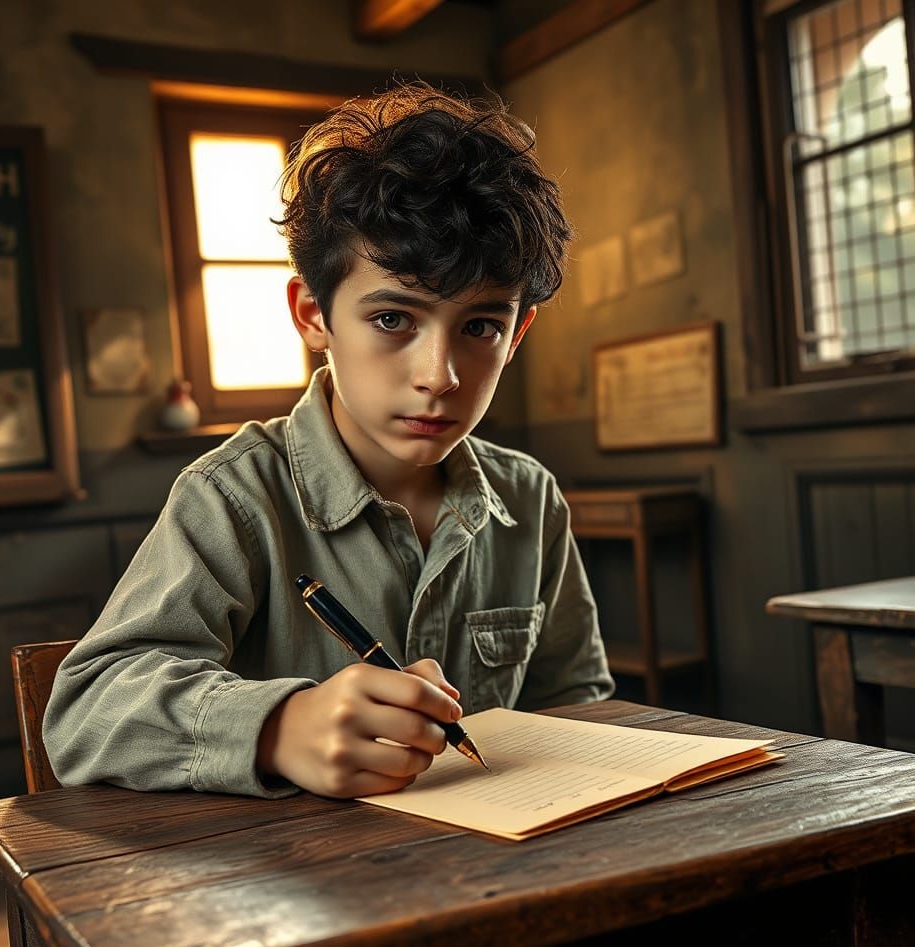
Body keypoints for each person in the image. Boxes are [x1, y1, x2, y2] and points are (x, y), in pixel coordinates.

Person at [43, 80, 614, 802]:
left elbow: (579, 705)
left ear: (516, 333)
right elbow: (84, 711)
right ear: (314, 315)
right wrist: (280, 726)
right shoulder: (234, 496)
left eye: (480, 327)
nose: (438, 376)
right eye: (392, 320)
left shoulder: (529, 497)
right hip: (295, 897)